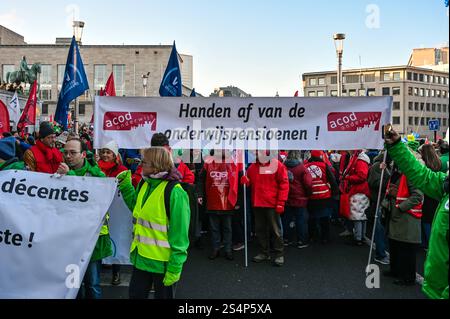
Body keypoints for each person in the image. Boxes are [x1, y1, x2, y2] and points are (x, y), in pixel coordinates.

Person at [117, 147, 190, 299]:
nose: (140, 165)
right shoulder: (145, 183)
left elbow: (180, 235)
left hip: (162, 264)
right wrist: (125, 186)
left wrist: (175, 267)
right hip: (141, 258)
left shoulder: (175, 192)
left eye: (144, 162)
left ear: (156, 166)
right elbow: (136, 207)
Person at [385, 126, 448, 298]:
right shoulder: (445, 184)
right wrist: (397, 145)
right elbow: (420, 174)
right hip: (437, 289)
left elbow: (417, 189)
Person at [58, 138, 112, 298]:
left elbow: (90, 201)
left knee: (92, 284)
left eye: (72, 152)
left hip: (91, 242)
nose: (68, 156)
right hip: (69, 240)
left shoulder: (97, 175)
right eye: (65, 152)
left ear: (83, 154)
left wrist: (70, 175)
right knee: (72, 285)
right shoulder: (60, 172)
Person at [241, 150, 289, 266]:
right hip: (258, 203)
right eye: (257, 153)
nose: (257, 155)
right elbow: (249, 183)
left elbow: (284, 184)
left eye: (259, 152)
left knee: (276, 231)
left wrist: (281, 203)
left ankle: (279, 254)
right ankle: (264, 252)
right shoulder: (252, 167)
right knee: (260, 230)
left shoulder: (277, 165)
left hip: (272, 204)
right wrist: (245, 182)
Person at [382, 158, 423, 286]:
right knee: (394, 244)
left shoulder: (411, 174)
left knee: (406, 248)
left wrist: (401, 206)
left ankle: (408, 277)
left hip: (406, 216)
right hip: (395, 214)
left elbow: (418, 196)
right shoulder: (396, 172)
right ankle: (395, 270)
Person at [198, 149, 241, 261]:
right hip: (212, 200)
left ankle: (227, 250)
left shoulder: (232, 162)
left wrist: (238, 200)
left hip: (227, 201)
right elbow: (201, 180)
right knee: (214, 228)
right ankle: (216, 249)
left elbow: (238, 183)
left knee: (227, 228)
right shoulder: (208, 163)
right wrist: (200, 195)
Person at [97, 140, 128, 286]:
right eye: (103, 151)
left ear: (115, 155)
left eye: (108, 152)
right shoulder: (96, 168)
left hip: (116, 210)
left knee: (116, 237)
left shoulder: (122, 170)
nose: (104, 154)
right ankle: (99, 268)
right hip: (99, 209)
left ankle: (116, 272)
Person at [305, 150, 338, 244]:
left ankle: (313, 236)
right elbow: (332, 179)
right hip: (324, 194)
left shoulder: (306, 166)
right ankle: (325, 237)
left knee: (312, 217)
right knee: (325, 217)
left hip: (311, 195)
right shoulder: (324, 165)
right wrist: (335, 192)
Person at [282, 150, 312, 248]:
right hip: (300, 198)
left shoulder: (283, 167)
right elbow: (308, 183)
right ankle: (301, 241)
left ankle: (287, 239)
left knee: (287, 220)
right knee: (301, 220)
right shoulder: (302, 168)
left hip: (287, 197)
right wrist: (308, 194)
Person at [342, 150, 371, 246]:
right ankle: (361, 236)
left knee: (358, 215)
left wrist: (348, 177)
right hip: (360, 190)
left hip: (358, 190)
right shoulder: (359, 158)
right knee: (361, 215)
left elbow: (361, 176)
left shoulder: (360, 160)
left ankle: (358, 238)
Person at [367, 151, 391, 264]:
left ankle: (383, 252)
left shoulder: (389, 165)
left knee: (383, 229)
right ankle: (380, 254)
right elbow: (373, 182)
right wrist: (388, 181)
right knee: (379, 229)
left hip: (384, 201)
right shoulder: (377, 166)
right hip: (378, 201)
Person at [418, 144, 441, 250]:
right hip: (436, 193)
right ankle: (430, 243)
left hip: (426, 193)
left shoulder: (424, 165)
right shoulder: (438, 162)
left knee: (426, 220)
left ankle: (427, 243)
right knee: (432, 219)